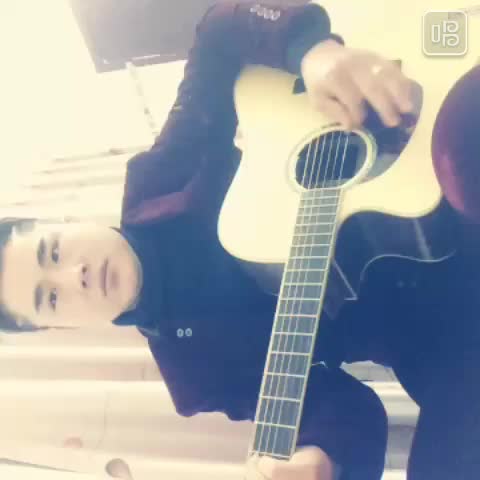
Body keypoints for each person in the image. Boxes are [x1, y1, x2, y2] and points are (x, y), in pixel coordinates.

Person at [1, 2, 479, 479]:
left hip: (436, 170)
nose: (75, 275)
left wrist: (312, 52)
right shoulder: (195, 375)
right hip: (441, 341)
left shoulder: (161, 177)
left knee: (460, 146)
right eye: (52, 298)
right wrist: (317, 460)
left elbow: (216, 35)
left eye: (53, 251)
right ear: (63, 329)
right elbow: (344, 409)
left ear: (67, 220)